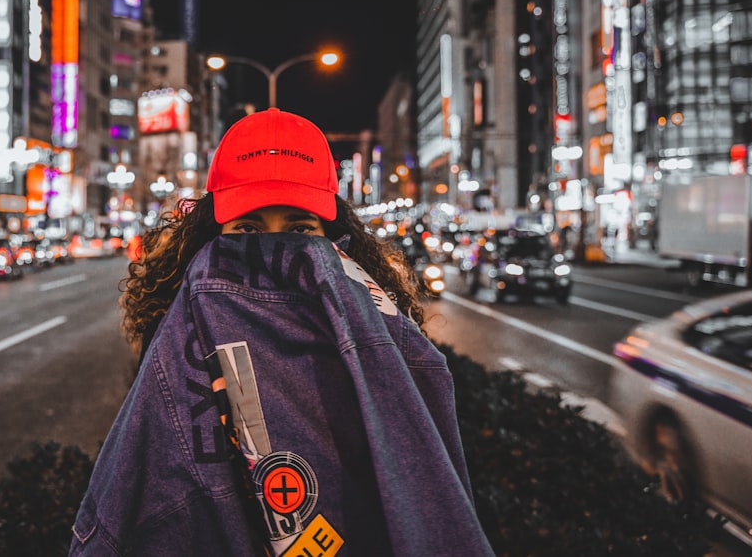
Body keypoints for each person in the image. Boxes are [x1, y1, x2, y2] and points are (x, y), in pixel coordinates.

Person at [69, 108, 494, 556]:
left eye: (300, 229)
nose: (274, 248)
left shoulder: (380, 336)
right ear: (215, 231)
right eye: (248, 228)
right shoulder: (180, 329)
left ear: (333, 235)